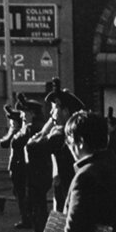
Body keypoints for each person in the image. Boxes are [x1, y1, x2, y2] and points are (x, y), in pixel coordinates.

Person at [45, 79, 86, 213]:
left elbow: (32, 146)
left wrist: (48, 127)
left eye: (54, 109)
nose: (51, 114)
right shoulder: (75, 135)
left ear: (65, 111)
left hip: (68, 194)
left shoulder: (58, 136)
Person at [21, 96, 53, 232]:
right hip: (42, 171)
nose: (23, 116)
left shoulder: (32, 128)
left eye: (24, 112)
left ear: (31, 113)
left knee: (37, 208)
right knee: (38, 207)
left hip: (35, 172)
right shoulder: (40, 125)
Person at [0, 100, 31, 229]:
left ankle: (27, 219)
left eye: (12, 121)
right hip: (18, 167)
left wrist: (12, 130)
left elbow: (4, 143)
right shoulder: (19, 132)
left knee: (21, 194)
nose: (10, 123)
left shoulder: (19, 133)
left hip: (20, 168)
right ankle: (26, 218)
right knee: (20, 194)